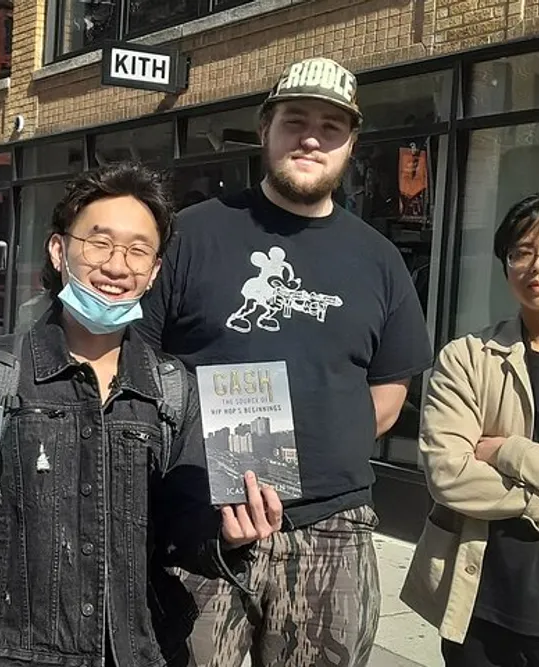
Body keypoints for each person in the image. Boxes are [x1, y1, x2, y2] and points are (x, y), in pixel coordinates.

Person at [136, 56, 434, 667]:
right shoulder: (191, 233)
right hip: (202, 522)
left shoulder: (378, 258)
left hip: (332, 526)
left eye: (331, 127)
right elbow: (141, 366)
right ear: (265, 129)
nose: (310, 137)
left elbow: (388, 393)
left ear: (350, 143)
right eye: (294, 120)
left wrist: (321, 450)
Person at [0, 161, 285, 667]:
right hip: (7, 654)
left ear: (154, 273)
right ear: (59, 251)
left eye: (137, 250)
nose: (117, 266)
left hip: (137, 651)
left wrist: (225, 536)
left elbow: (181, 530)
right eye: (99, 243)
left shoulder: (173, 390)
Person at [401, 191, 539, 667]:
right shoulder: (466, 358)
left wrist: (511, 454)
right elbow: (447, 475)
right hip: (478, 605)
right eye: (520, 252)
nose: (536, 265)